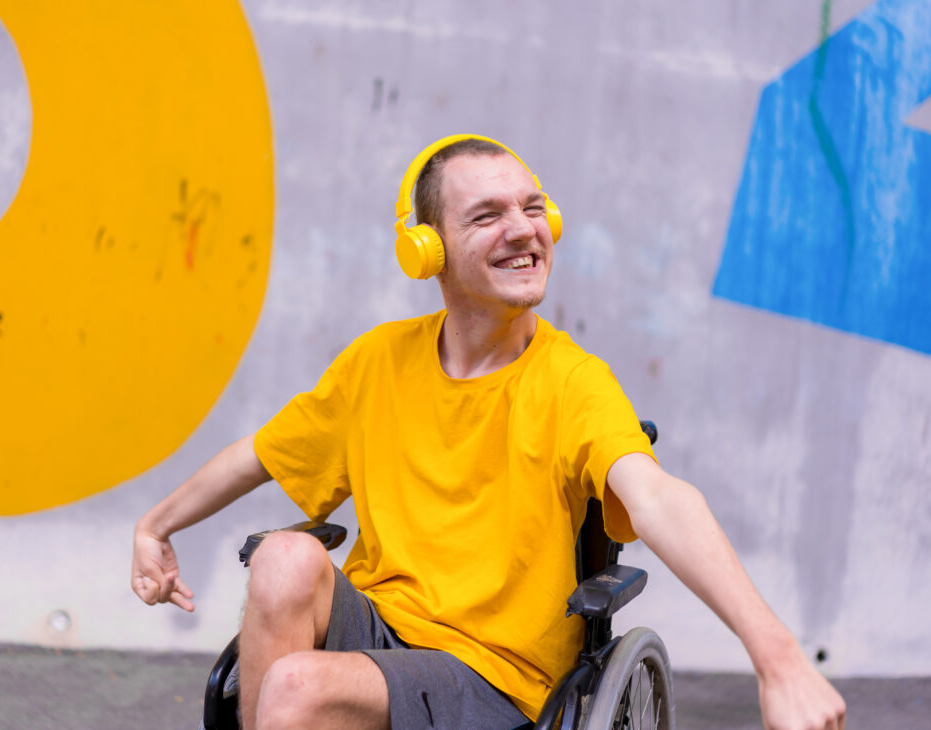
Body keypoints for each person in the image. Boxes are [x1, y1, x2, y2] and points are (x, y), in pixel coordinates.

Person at [132, 135, 847, 730]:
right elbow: (261, 454)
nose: (523, 229)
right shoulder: (378, 361)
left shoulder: (572, 381)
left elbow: (658, 500)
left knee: (292, 690)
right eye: (486, 216)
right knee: (283, 558)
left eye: (533, 209)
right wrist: (155, 526)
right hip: (384, 631)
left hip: (493, 672)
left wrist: (777, 659)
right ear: (426, 249)